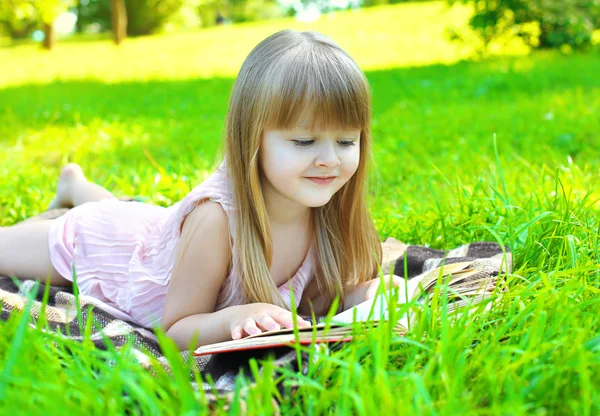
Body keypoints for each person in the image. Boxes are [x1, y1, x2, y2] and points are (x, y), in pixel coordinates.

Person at [0, 30, 402, 350]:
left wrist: (357, 295)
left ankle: (77, 184)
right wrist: (231, 319)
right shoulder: (215, 220)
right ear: (252, 139)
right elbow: (175, 331)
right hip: (102, 246)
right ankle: (79, 192)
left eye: (347, 142)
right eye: (303, 142)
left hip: (156, 236)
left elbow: (301, 304)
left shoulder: (320, 205)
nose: (330, 159)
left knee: (148, 222)